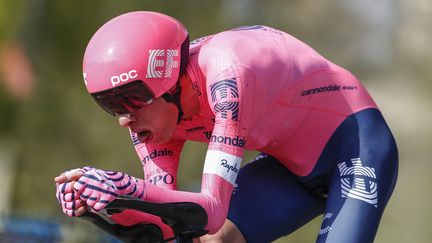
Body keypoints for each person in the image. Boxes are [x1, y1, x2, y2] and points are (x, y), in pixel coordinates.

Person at [54, 11, 398, 243]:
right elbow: (167, 230)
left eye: (129, 99)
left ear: (168, 81)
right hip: (287, 168)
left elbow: (211, 211)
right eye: (109, 104)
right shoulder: (150, 118)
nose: (123, 119)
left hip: (354, 144)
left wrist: (125, 189)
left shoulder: (226, 76)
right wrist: (101, 208)